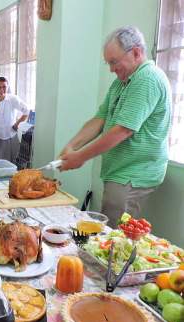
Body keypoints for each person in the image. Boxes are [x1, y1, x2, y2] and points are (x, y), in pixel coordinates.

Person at [59, 26, 171, 226]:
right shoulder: (121, 82)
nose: (111, 69)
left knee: (113, 235)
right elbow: (99, 119)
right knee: (108, 229)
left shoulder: (148, 78)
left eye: (114, 62)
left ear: (136, 52)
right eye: (108, 63)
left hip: (134, 174)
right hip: (119, 171)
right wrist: (72, 146)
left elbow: (122, 131)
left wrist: (80, 157)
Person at [0, 76, 29, 163]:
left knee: (12, 163)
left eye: (4, 87)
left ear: (7, 87)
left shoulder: (13, 99)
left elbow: (26, 111)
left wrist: (17, 124)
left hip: (10, 137)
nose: (1, 89)